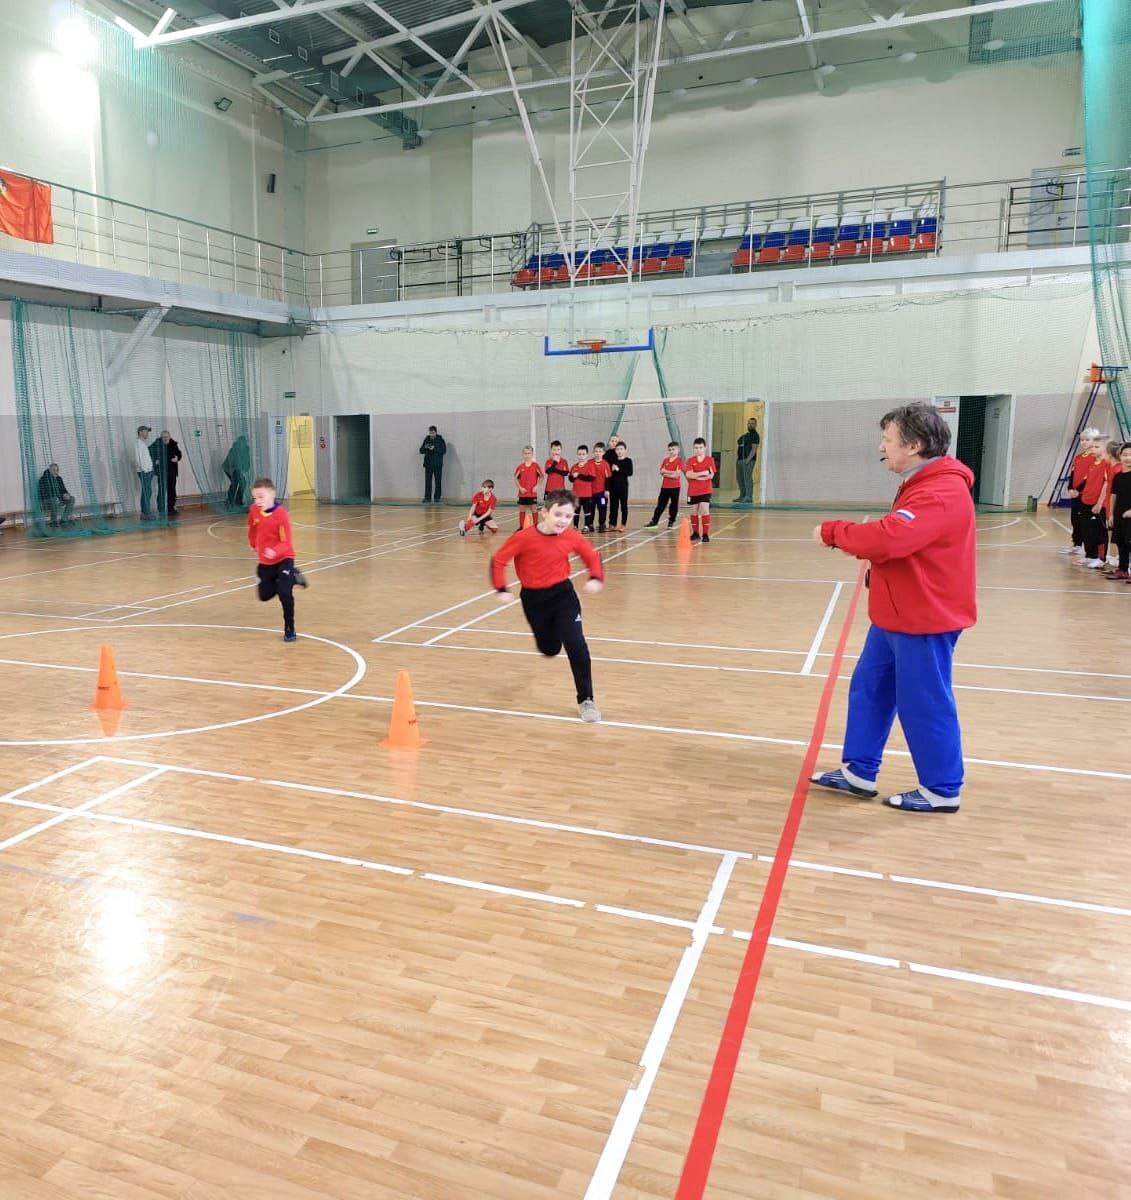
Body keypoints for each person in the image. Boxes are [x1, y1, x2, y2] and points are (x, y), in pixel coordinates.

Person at [810, 403, 976, 814]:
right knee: (871, 688)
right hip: (895, 614)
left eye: (888, 440)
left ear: (914, 445)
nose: (881, 447)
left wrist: (834, 532)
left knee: (925, 701)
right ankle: (859, 770)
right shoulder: (921, 482)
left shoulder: (941, 490)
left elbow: (891, 539)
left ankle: (942, 788)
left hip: (923, 618)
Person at [490, 488, 604, 722]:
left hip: (563, 596)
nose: (563, 520)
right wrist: (501, 588)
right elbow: (499, 560)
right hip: (534, 600)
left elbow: (591, 556)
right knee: (550, 649)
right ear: (544, 513)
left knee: (576, 644)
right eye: (558, 514)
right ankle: (558, 631)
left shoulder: (571, 536)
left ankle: (586, 700)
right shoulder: (523, 538)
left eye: (568, 516)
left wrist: (595, 577)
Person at [247, 476, 309, 643]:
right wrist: (253, 543)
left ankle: (289, 628)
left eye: (261, 497)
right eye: (255, 497)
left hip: (284, 558)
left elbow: (286, 543)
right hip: (265, 562)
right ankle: (292, 577)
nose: (257, 501)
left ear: (272, 494)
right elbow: (252, 527)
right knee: (264, 596)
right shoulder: (254, 510)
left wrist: (274, 551)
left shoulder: (281, 515)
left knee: (284, 593)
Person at [1061, 428, 1102, 558]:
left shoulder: (1094, 458)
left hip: (1086, 495)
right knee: (1075, 519)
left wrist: (1078, 490)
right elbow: (1073, 474)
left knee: (1085, 522)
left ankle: (1088, 548)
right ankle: (1077, 544)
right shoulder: (1078, 457)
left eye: (1087, 440)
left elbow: (1088, 477)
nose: (1084, 442)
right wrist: (1070, 488)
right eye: (1082, 440)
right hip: (1075, 494)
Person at [1075, 437, 1110, 570]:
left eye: (1097, 447)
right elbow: (1086, 481)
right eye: (1092, 447)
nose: (1093, 449)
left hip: (1097, 504)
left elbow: (1106, 484)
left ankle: (1100, 559)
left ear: (1106, 448)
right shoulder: (1092, 462)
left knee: (1099, 531)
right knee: (1087, 529)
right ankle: (1090, 555)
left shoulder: (1106, 464)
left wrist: (1100, 502)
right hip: (1086, 501)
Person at [1104, 442, 1131, 581]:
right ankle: (1123, 570)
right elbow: (1114, 495)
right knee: (1121, 542)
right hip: (1119, 514)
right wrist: (1111, 514)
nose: (1128, 458)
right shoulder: (1118, 476)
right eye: (1125, 454)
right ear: (1120, 456)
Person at [684, 437, 716, 542]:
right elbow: (689, 474)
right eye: (696, 448)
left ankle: (705, 534)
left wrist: (696, 475)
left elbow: (711, 475)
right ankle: (696, 533)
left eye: (700, 447)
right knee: (694, 511)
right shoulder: (690, 460)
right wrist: (703, 473)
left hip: (705, 490)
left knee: (704, 509)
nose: (698, 450)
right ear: (693, 449)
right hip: (693, 490)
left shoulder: (709, 460)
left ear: (705, 448)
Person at [645, 441, 683, 529]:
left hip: (675, 487)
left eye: (673, 449)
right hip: (665, 487)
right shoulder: (665, 460)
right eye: (670, 450)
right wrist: (671, 473)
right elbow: (661, 472)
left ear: (678, 450)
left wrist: (666, 472)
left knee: (673, 505)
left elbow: (676, 475)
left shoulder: (679, 461)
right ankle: (654, 521)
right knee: (660, 505)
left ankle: (671, 522)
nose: (671, 451)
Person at [151, 430, 183, 519]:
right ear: (161, 437)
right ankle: (161, 509)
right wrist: (155, 460)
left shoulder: (173, 444)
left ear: (169, 437)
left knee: (172, 491)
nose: (165, 438)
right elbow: (150, 451)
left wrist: (177, 458)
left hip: (172, 472)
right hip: (162, 473)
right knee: (161, 491)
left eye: (166, 437)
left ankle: (170, 509)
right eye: (163, 437)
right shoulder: (157, 444)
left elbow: (179, 454)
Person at [514, 446, 543, 530]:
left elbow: (541, 477)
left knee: (534, 509)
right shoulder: (520, 467)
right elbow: (515, 478)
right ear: (523, 454)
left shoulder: (536, 466)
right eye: (525, 453)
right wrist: (520, 488)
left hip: (532, 493)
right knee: (522, 509)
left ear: (532, 454)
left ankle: (536, 527)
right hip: (523, 493)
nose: (527, 455)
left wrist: (537, 486)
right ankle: (521, 527)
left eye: (529, 453)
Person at [569, 445, 597, 532]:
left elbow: (591, 478)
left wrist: (579, 475)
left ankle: (586, 526)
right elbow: (571, 479)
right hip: (576, 494)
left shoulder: (590, 466)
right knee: (576, 511)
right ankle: (575, 526)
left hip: (586, 494)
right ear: (577, 454)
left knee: (587, 511)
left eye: (583, 454)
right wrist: (573, 477)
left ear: (587, 455)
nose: (581, 456)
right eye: (579, 454)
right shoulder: (574, 466)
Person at [607, 441, 634, 531]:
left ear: (625, 450)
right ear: (615, 451)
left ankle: (623, 524)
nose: (619, 451)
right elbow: (609, 476)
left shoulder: (628, 461)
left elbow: (630, 472)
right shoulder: (613, 461)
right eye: (618, 449)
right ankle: (612, 524)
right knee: (613, 507)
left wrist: (619, 469)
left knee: (623, 506)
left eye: (621, 449)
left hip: (623, 487)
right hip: (613, 487)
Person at [735, 416, 761, 504]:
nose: (750, 425)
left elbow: (754, 449)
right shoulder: (746, 435)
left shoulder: (755, 436)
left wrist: (747, 460)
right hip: (740, 460)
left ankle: (749, 497)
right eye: (749, 423)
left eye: (752, 424)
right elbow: (739, 441)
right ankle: (742, 496)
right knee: (739, 478)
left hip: (748, 460)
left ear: (756, 425)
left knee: (747, 478)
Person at [223, 435, 251, 510]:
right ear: (238, 442)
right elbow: (231, 462)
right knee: (235, 484)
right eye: (241, 442)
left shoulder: (246, 449)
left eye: (244, 442)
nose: (243, 444)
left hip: (238, 469)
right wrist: (235, 471)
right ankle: (229, 502)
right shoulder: (234, 450)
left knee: (243, 483)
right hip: (229, 468)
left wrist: (246, 468)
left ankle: (238, 501)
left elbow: (247, 460)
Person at [419, 425, 447, 503]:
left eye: (433, 433)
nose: (432, 434)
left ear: (436, 432)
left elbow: (444, 451)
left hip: (437, 465)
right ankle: (427, 498)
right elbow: (421, 451)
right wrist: (425, 447)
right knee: (428, 482)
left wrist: (434, 448)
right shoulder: (426, 439)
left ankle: (437, 498)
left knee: (438, 481)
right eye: (430, 433)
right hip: (428, 464)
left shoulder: (440, 440)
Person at [134, 425, 155, 521]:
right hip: (144, 472)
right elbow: (138, 459)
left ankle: (145, 512)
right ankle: (145, 513)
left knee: (148, 491)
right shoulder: (138, 444)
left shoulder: (142, 444)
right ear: (140, 432)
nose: (147, 433)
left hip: (148, 471)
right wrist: (145, 469)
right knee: (146, 492)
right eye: (146, 431)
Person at [590, 442, 611, 533]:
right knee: (591, 508)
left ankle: (602, 524)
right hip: (590, 492)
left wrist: (607, 490)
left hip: (601, 492)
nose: (597, 453)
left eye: (600, 451)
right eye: (596, 451)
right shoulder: (589, 463)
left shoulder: (605, 464)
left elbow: (608, 478)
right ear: (593, 452)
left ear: (603, 453)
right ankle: (590, 524)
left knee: (602, 508)